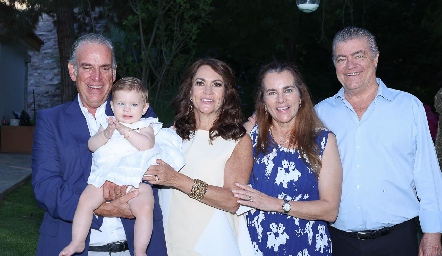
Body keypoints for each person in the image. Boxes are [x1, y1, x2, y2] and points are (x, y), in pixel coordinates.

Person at [32, 34, 167, 256]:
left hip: (134, 247)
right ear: (72, 71)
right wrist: (104, 208)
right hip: (70, 244)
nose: (97, 77)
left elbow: (156, 162)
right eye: (87, 67)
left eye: (105, 68)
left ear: (114, 73)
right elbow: (46, 187)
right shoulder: (51, 120)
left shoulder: (138, 113)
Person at [315, 26, 442, 256]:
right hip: (337, 242)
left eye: (358, 55)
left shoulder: (408, 107)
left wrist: (432, 233)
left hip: (397, 240)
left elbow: (428, 174)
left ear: (375, 59)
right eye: (341, 58)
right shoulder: (320, 114)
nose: (350, 65)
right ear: (335, 65)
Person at [59, 77, 184, 256]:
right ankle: (78, 241)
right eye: (121, 103)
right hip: (105, 177)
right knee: (85, 201)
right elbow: (91, 145)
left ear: (144, 108)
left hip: (135, 179)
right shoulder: (107, 123)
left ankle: (140, 249)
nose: (126, 109)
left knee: (145, 206)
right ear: (112, 105)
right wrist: (106, 134)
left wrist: (126, 131)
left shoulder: (145, 126)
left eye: (133, 105)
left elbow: (146, 145)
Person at [144, 58, 254, 256]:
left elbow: (232, 200)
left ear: (227, 94)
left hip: (213, 246)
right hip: (166, 246)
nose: (208, 91)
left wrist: (176, 180)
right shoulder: (170, 135)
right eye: (200, 83)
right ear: (189, 90)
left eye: (217, 84)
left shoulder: (238, 140)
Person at [233, 61, 342, 255]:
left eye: (288, 90)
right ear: (264, 101)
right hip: (255, 248)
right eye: (272, 92)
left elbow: (330, 210)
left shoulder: (323, 141)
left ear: (301, 96)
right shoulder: (250, 136)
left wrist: (275, 204)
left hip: (307, 248)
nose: (281, 100)